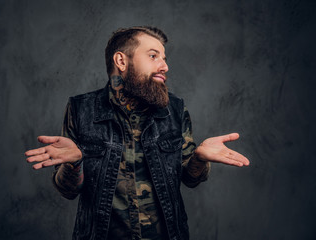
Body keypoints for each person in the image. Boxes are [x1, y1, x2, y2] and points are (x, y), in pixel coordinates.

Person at [25, 26, 249, 240]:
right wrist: (74, 164)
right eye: (153, 56)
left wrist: (198, 159)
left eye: (164, 58)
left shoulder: (176, 110)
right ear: (121, 61)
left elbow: (191, 179)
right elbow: (68, 190)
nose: (164, 66)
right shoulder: (80, 109)